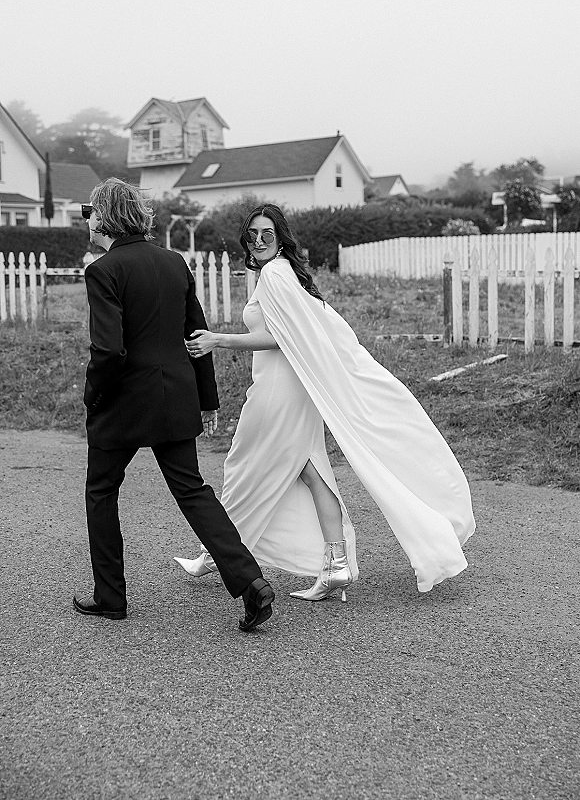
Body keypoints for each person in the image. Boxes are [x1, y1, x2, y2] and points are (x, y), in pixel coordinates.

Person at [174, 203, 475, 600]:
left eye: (268, 234)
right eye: (252, 235)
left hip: (278, 392)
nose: (259, 241)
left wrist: (219, 339)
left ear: (281, 239)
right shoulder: (279, 274)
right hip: (289, 387)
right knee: (308, 470)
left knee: (246, 465)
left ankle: (216, 553)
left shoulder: (276, 276)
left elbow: (285, 338)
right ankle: (333, 566)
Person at [73, 179, 274, 631]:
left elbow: (108, 351)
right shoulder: (173, 262)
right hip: (174, 395)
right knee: (192, 489)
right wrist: (206, 398)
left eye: (90, 210)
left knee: (101, 492)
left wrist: (93, 395)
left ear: (104, 216)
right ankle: (250, 582)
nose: (86, 218)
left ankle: (111, 597)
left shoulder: (103, 270)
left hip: (123, 401)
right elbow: (195, 334)